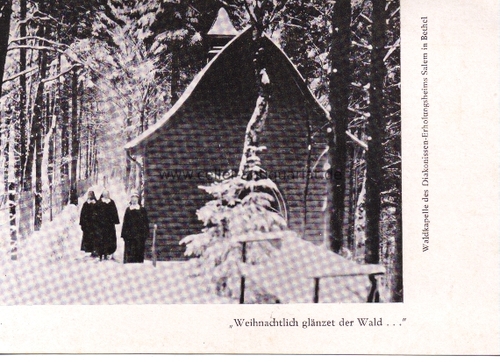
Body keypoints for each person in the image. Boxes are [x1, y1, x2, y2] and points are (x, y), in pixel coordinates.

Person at [121, 190, 149, 263]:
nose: (134, 199)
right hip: (130, 234)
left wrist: (145, 233)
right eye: (132, 198)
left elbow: (145, 222)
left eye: (135, 198)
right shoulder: (128, 209)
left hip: (139, 234)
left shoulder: (142, 210)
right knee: (130, 250)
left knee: (139, 249)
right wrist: (124, 234)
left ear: (138, 199)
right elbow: (125, 222)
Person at [96, 189, 120, 261]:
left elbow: (114, 212)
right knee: (101, 239)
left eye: (107, 194)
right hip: (101, 225)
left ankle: (107, 253)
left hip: (109, 225)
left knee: (109, 239)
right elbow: (95, 213)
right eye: (105, 194)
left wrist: (115, 220)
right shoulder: (99, 202)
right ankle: (100, 254)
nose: (106, 195)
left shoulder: (111, 202)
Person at [79, 190, 100, 257]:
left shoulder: (96, 203)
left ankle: (96, 250)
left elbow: (99, 212)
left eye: (91, 195)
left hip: (95, 224)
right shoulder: (85, 204)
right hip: (88, 224)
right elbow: (82, 214)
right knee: (89, 238)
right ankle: (91, 250)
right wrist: (82, 223)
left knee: (95, 237)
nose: (90, 196)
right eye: (89, 195)